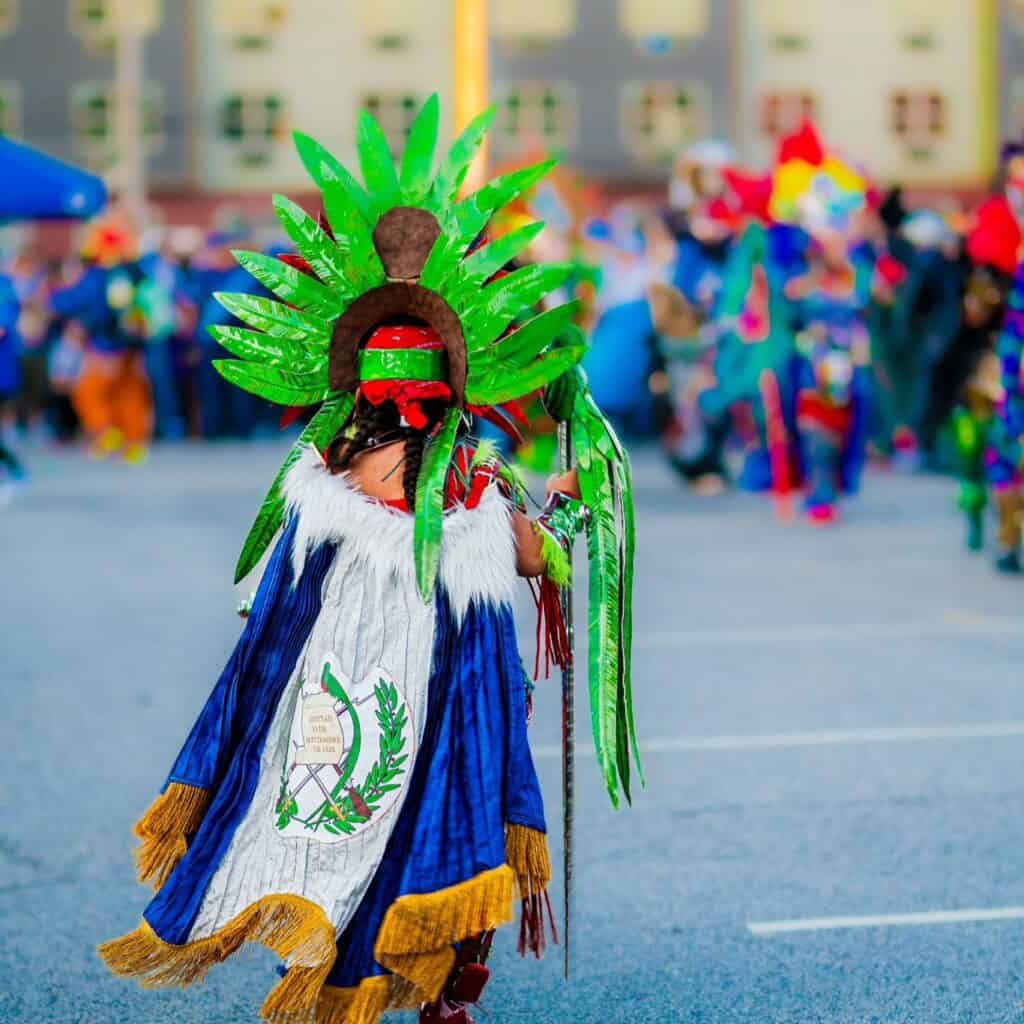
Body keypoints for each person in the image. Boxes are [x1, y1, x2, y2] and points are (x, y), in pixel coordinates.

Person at [99, 96, 639, 1024]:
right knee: (452, 823)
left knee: (335, 822)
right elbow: (530, 557)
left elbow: (264, 597)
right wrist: (572, 508)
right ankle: (441, 987)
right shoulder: (464, 477)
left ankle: (334, 967)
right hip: (441, 702)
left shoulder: (325, 473)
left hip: (342, 699)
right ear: (452, 383)